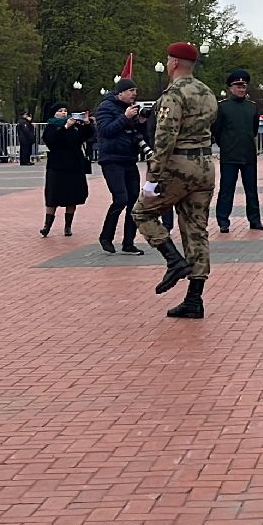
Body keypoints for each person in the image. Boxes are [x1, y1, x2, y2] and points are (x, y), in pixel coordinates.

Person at [135, 43, 215, 318]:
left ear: (174, 63)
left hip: (179, 165)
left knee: (142, 212)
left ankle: (173, 261)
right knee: (196, 230)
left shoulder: (174, 94)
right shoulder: (207, 92)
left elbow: (165, 137)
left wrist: (153, 179)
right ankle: (194, 299)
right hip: (205, 166)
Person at [94, 77, 150, 255]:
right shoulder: (105, 107)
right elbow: (105, 131)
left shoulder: (131, 110)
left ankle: (128, 242)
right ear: (120, 93)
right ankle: (106, 237)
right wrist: (125, 117)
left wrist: (140, 122)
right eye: (131, 91)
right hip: (111, 159)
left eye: (135, 91)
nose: (134, 94)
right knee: (121, 199)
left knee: (134, 202)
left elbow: (135, 135)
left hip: (129, 159)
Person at [212, 69, 263, 233]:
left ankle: (255, 220)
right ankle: (223, 221)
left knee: (252, 190)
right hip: (230, 154)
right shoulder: (223, 107)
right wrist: (226, 145)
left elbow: (254, 129)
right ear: (231, 88)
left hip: (248, 153)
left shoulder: (252, 107)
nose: (241, 89)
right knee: (227, 189)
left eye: (244, 86)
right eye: (238, 86)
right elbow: (217, 130)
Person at [40, 103, 95, 237]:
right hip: (57, 166)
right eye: (60, 111)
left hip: (74, 165)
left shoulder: (75, 126)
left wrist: (87, 123)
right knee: (53, 196)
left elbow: (87, 136)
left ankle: (68, 226)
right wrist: (65, 127)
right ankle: (47, 225)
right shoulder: (52, 126)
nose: (64, 113)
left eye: (65, 111)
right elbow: (51, 141)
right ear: (54, 114)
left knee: (72, 196)